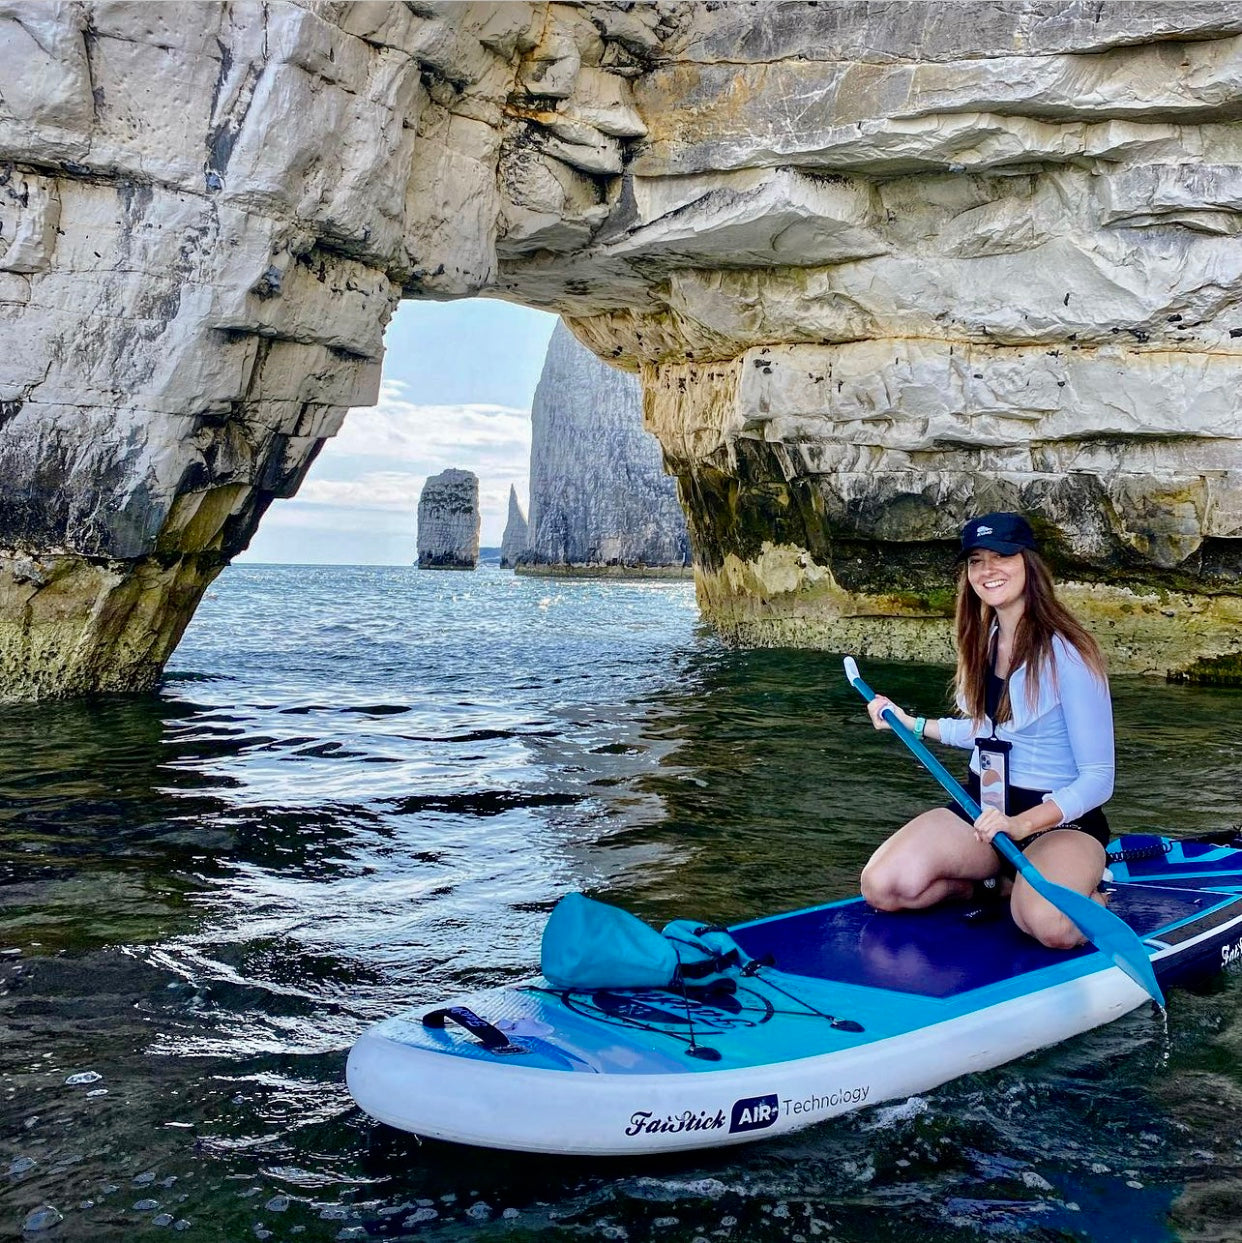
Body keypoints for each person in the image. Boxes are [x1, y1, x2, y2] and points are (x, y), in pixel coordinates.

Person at [859, 512, 1114, 950]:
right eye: (976, 560)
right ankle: (996, 884)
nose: (987, 569)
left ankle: (1092, 893)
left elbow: (1099, 779)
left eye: (1002, 556)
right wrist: (912, 724)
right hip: (982, 811)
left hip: (1057, 823)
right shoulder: (983, 638)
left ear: (1029, 563)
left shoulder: (1070, 654)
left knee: (1049, 925)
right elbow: (989, 731)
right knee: (884, 886)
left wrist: (1021, 825)